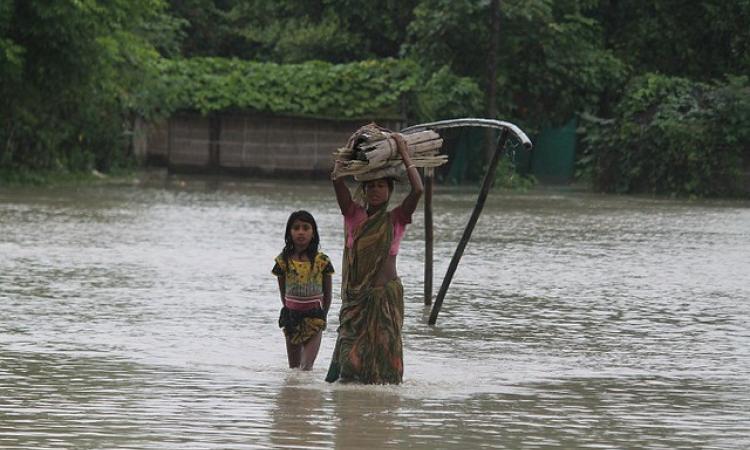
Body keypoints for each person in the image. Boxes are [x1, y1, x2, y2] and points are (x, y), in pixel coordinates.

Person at [326, 133, 423, 384]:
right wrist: (348, 148)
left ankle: (384, 414)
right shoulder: (353, 214)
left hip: (385, 299)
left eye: (381, 186)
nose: (376, 191)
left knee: (385, 363)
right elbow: (337, 179)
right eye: (371, 186)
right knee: (350, 362)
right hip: (356, 301)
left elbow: (418, 189)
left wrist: (404, 152)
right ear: (364, 190)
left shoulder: (396, 219)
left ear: (390, 190)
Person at [272, 210, 334, 370]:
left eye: (306, 228)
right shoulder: (283, 261)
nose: (301, 232)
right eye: (296, 228)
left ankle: (306, 393)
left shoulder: (322, 261)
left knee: (306, 368)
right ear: (289, 233)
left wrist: (323, 316)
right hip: (291, 318)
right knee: (293, 369)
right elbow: (283, 291)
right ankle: (293, 395)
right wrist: (288, 310)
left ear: (313, 233)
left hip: (314, 317)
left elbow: (328, 293)